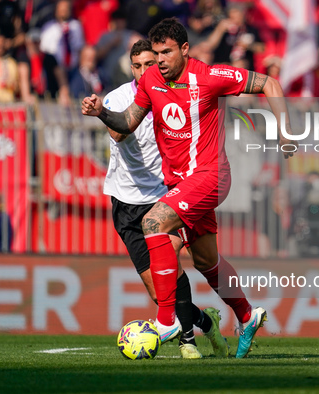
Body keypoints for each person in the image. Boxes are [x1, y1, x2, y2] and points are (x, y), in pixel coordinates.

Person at [82, 17, 292, 358]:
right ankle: (247, 315)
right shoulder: (151, 80)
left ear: (184, 49)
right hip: (180, 183)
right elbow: (127, 123)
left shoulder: (209, 77)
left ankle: (167, 321)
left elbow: (268, 82)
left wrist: (284, 130)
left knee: (153, 224)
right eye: (157, 53)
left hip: (211, 176)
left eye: (166, 52)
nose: (160, 60)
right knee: (206, 260)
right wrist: (102, 112)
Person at [102, 39, 227, 359]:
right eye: (137, 65)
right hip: (125, 200)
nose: (143, 70)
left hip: (161, 197)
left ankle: (187, 339)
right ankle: (204, 321)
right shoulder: (119, 97)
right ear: (131, 68)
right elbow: (118, 133)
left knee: (174, 269)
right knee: (159, 293)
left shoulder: (172, 93)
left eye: (149, 64)